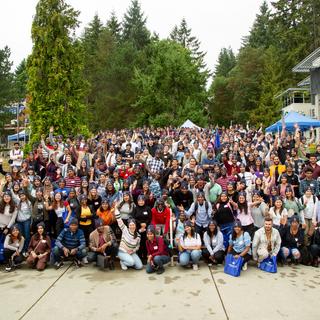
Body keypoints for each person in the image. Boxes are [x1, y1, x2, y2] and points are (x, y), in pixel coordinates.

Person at [115, 206, 143, 270]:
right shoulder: (125, 229)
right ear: (128, 225)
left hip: (131, 252)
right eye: (130, 225)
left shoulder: (138, 236)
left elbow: (137, 246)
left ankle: (129, 261)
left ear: (135, 225)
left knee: (139, 267)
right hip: (122, 251)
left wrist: (133, 251)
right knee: (131, 262)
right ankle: (123, 262)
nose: (132, 226)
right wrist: (116, 210)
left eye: (133, 225)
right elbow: (119, 220)